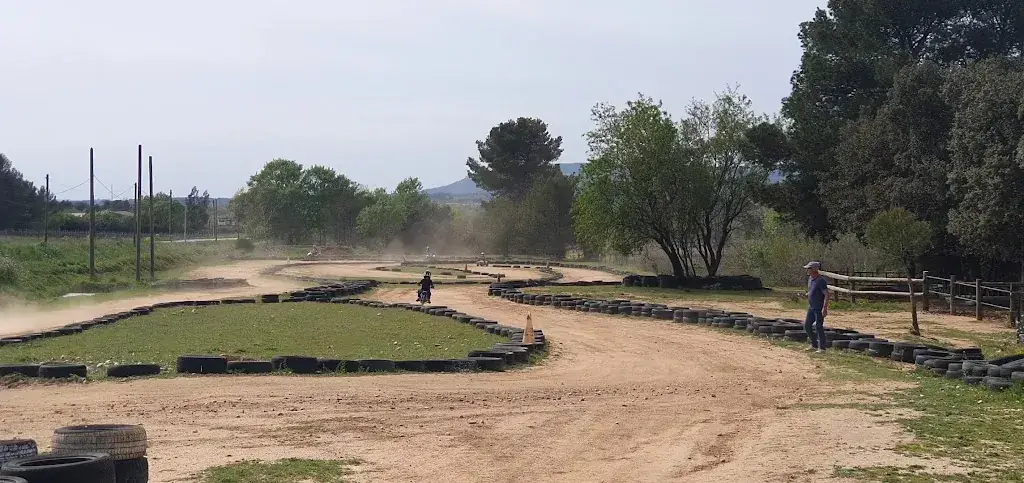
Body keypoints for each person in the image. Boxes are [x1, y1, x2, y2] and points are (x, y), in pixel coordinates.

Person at [804, 261, 830, 353]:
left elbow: (827, 294)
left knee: (819, 327)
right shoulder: (810, 279)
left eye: (809, 268)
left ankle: (822, 348)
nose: (807, 270)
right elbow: (812, 291)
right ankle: (814, 345)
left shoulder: (821, 281)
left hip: (818, 308)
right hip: (811, 307)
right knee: (807, 326)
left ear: (814, 270)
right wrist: (807, 294)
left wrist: (825, 308)